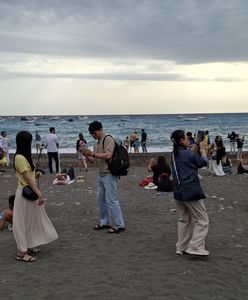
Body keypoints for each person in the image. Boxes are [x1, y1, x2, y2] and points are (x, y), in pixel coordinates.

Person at [13, 131, 58, 262]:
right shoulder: (20, 158)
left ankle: (30, 245)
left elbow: (30, 176)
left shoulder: (25, 157)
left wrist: (36, 174)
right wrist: (38, 192)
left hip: (29, 192)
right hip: (25, 193)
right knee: (23, 222)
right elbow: (27, 179)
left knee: (32, 220)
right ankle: (22, 252)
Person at [171, 129, 209, 256]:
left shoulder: (174, 154)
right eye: (187, 138)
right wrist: (203, 151)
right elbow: (202, 162)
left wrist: (197, 143)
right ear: (182, 140)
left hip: (178, 191)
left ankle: (181, 247)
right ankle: (195, 246)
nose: (189, 139)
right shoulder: (187, 154)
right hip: (190, 191)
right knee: (202, 220)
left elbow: (188, 156)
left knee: (184, 219)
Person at [83, 121, 125, 234]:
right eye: (91, 133)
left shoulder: (108, 139)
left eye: (94, 132)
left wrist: (92, 154)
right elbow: (93, 161)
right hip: (101, 175)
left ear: (100, 129)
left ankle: (119, 225)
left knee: (112, 200)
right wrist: (86, 154)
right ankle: (105, 221)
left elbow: (108, 155)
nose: (93, 135)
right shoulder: (97, 144)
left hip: (110, 174)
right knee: (101, 199)